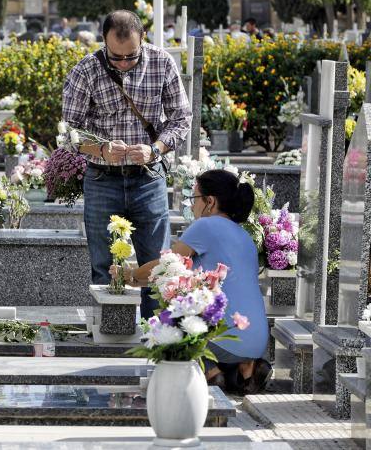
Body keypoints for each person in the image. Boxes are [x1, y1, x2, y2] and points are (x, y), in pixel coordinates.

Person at [62, 10, 192, 319]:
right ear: (104, 42)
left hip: (148, 177)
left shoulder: (162, 63)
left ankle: (157, 334)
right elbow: (69, 131)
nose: (122, 64)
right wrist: (103, 150)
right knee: (103, 264)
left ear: (143, 39)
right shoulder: (86, 71)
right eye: (115, 57)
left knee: (158, 264)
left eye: (130, 57)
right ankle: (112, 334)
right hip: (101, 177)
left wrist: (155, 148)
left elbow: (181, 119)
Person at [111, 169, 271, 394]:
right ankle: (248, 370)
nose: (191, 205)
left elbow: (166, 265)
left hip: (224, 341)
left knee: (166, 325)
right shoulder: (244, 235)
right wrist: (137, 280)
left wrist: (128, 275)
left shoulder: (205, 226)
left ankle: (211, 372)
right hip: (258, 340)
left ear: (210, 201)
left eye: (194, 198)